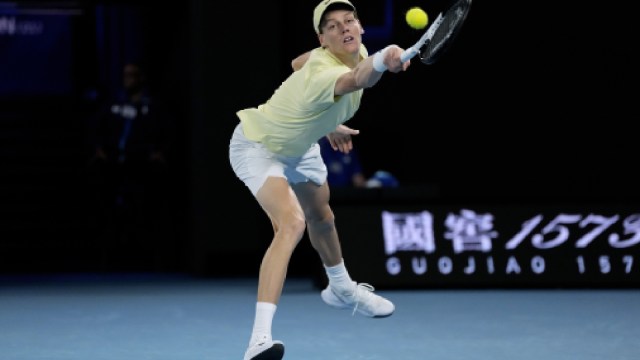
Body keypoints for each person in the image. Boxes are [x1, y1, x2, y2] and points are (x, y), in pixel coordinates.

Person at [228, 1, 411, 358]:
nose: (343, 28)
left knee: (322, 219)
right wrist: (387, 55)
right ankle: (259, 340)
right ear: (322, 39)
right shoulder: (327, 72)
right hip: (258, 145)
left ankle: (341, 289)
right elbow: (357, 79)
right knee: (291, 224)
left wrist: (326, 122)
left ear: (359, 27)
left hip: (301, 145)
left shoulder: (351, 50)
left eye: (349, 21)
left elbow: (298, 62)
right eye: (331, 26)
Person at [87, 61, 174, 269]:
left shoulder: (152, 106)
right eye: (125, 75)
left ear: (141, 78)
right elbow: (95, 128)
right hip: (113, 164)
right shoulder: (113, 105)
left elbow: (167, 132)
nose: (128, 80)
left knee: (146, 207)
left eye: (132, 75)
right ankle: (105, 258)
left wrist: (159, 153)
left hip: (142, 165)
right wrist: (99, 149)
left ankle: (150, 258)